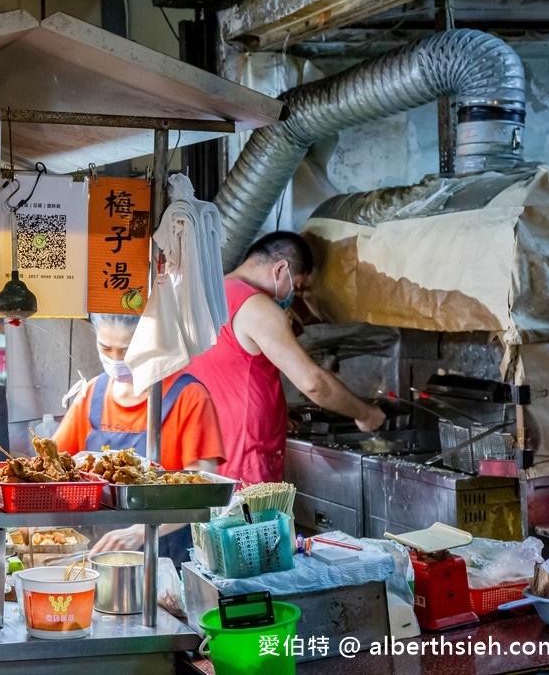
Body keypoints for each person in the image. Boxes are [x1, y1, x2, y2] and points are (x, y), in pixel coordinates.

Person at [186, 231, 386, 484]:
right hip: (244, 460)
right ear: (281, 269)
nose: (294, 296)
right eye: (297, 286)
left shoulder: (207, 296)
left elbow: (222, 373)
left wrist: (275, 413)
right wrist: (365, 413)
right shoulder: (257, 306)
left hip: (209, 455)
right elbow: (313, 383)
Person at [53, 313, 225, 566]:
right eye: (106, 348)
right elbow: (53, 466)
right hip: (97, 554)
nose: (115, 359)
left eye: (126, 350)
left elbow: (202, 491)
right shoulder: (92, 393)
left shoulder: (189, 397)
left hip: (169, 556)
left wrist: (139, 531)